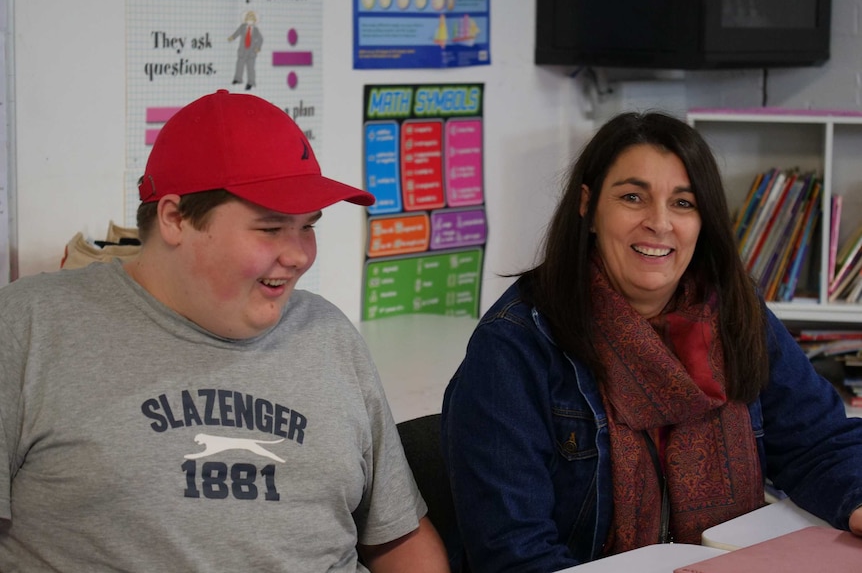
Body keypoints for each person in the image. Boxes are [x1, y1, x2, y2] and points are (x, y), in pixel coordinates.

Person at [0, 89, 450, 572]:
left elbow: (397, 537)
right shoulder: (29, 326)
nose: (299, 254)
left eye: (307, 226)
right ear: (175, 218)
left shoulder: (328, 334)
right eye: (271, 228)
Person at [441, 111, 862, 572]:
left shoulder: (734, 311)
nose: (659, 223)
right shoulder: (514, 346)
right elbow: (513, 553)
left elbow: (817, 443)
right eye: (632, 197)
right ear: (589, 206)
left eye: (683, 203)